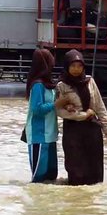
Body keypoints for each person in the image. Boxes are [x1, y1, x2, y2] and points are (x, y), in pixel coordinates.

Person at [55, 49, 107, 185]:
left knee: (94, 168)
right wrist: (83, 115)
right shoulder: (61, 86)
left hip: (92, 129)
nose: (76, 69)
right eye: (73, 66)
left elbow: (99, 106)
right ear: (66, 67)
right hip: (73, 130)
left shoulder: (90, 81)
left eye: (79, 66)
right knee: (75, 167)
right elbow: (59, 111)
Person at [25, 48, 70, 183]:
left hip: (50, 135)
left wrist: (65, 105)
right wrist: (57, 104)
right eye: (51, 58)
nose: (53, 61)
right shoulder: (38, 86)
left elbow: (55, 105)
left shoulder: (48, 85)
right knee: (38, 179)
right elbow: (37, 109)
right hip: (39, 136)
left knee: (51, 177)